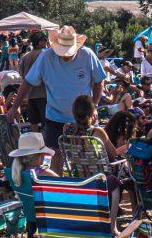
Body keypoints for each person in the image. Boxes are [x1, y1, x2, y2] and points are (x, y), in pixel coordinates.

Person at [8, 25, 107, 171]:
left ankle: (88, 187)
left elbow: (99, 80)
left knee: (89, 153)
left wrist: (94, 105)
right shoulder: (46, 57)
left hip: (84, 117)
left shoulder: (87, 55)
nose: (65, 55)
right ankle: (56, 187)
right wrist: (14, 107)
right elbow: (28, 82)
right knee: (56, 153)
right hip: (56, 116)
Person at [17, 31, 49, 126]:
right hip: (44, 95)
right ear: (39, 42)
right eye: (45, 40)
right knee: (46, 124)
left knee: (33, 123)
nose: (47, 42)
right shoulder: (45, 54)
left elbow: (23, 76)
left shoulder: (25, 56)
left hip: (30, 95)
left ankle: (33, 140)